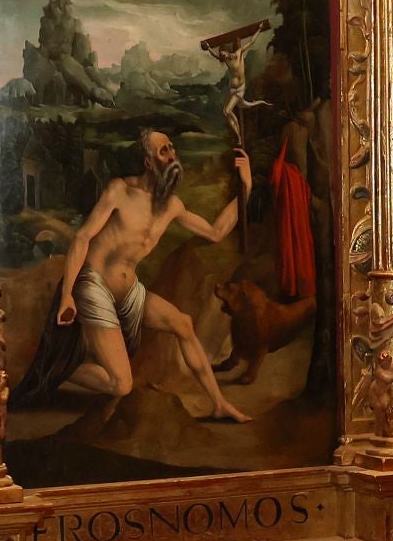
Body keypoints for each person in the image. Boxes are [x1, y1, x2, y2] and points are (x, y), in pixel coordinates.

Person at [16, 129, 254, 423]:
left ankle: (218, 404)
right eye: (163, 151)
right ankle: (58, 368)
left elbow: (216, 232)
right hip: (94, 285)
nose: (172, 155)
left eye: (172, 148)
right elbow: (83, 237)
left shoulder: (172, 206)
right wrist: (67, 294)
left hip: (128, 291)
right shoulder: (120, 191)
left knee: (183, 324)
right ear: (148, 162)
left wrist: (246, 186)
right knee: (122, 385)